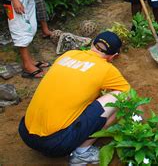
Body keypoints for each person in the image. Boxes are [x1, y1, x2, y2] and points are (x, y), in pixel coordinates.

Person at [18, 31, 130, 164]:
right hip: (55, 144)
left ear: (92, 44)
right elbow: (128, 94)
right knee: (120, 97)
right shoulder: (106, 69)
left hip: (25, 132)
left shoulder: (68, 54)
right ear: (113, 56)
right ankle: (82, 153)